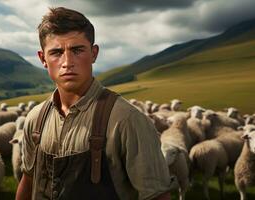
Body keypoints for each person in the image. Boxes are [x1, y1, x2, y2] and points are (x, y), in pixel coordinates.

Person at [16, 7, 172, 200]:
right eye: (56, 52)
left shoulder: (127, 120)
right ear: (43, 59)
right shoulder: (35, 119)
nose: (67, 62)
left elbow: (157, 196)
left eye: (77, 50)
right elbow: (29, 180)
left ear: (94, 53)